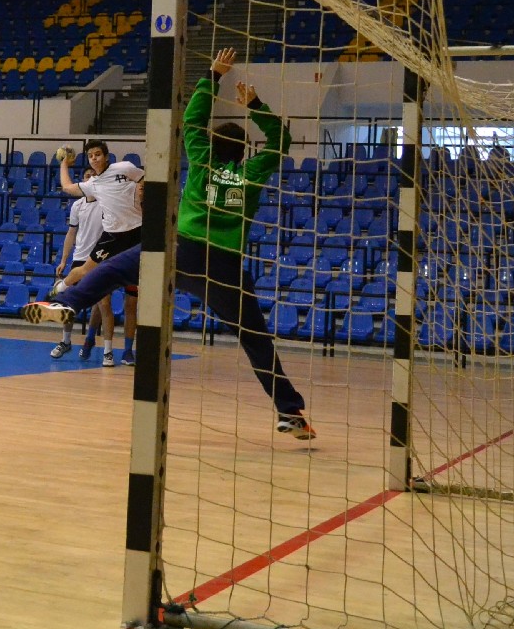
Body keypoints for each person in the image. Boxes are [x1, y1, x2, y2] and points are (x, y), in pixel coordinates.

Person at [22, 48, 315, 439]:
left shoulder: (202, 161)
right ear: (244, 152)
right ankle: (290, 413)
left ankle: (67, 303)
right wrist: (256, 105)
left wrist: (213, 76)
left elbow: (191, 119)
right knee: (255, 338)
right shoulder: (254, 172)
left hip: (182, 250)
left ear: (212, 144)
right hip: (224, 267)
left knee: (113, 269)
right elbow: (281, 140)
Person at [56, 138, 143, 366]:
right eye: (90, 156)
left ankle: (127, 351)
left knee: (133, 297)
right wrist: (64, 164)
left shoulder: (124, 168)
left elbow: (144, 180)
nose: (94, 158)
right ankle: (58, 291)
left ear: (106, 156)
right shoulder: (92, 184)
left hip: (138, 232)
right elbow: (67, 187)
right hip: (113, 236)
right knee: (86, 271)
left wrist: (141, 194)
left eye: (97, 154)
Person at [50, 168, 117, 365]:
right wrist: (64, 260)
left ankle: (108, 351)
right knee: (69, 303)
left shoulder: (106, 203)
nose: (90, 179)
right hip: (79, 259)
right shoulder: (77, 205)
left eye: (93, 176)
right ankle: (66, 341)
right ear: (83, 181)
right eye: (87, 176)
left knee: (105, 304)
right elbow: (71, 233)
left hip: (100, 259)